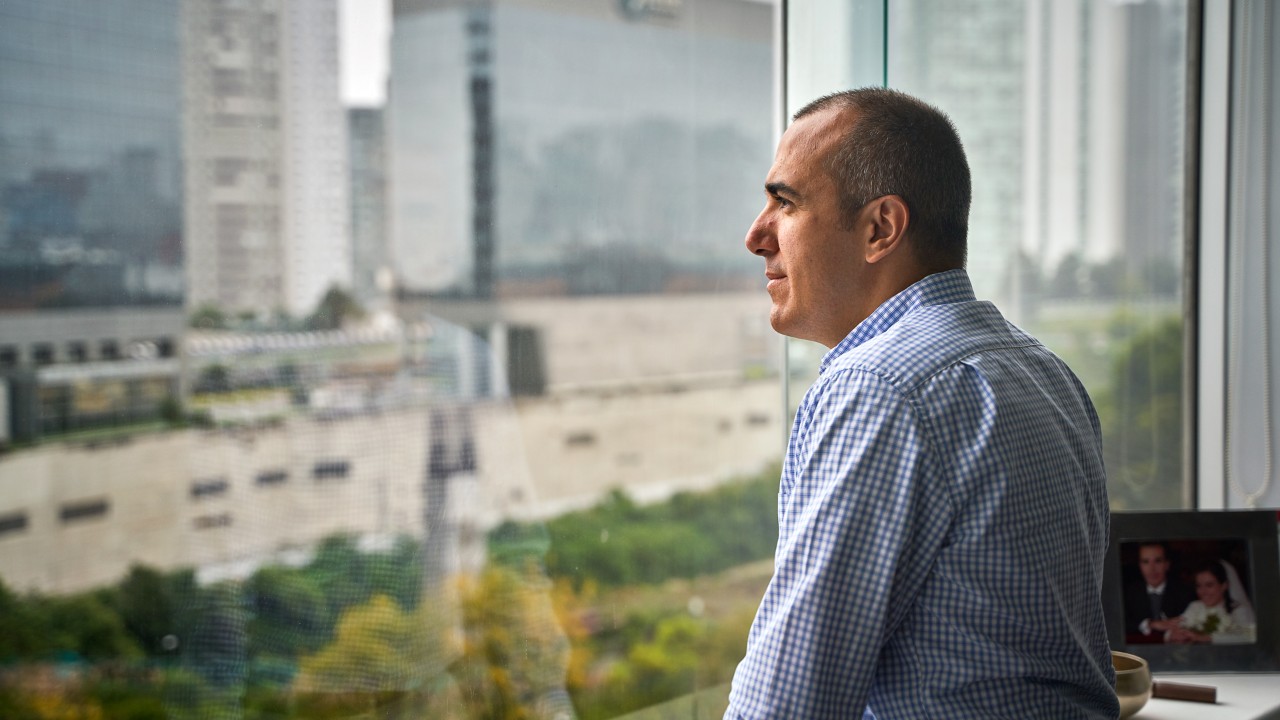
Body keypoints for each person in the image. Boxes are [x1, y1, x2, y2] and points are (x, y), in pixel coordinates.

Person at [725, 88, 1117, 718]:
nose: (756, 236)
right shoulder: (1044, 373)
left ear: (880, 228)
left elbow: (790, 702)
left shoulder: (879, 390)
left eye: (786, 202)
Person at [1168, 560, 1257, 645]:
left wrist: (1207, 638)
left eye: (1209, 585)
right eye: (1199, 586)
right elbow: (1172, 630)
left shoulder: (1239, 609)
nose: (1203, 592)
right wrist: (1173, 635)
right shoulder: (1195, 606)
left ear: (1224, 586)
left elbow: (1249, 635)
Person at [1123, 542, 1195, 642]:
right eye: (1146, 562)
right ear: (1140, 566)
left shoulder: (1185, 592)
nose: (1152, 569)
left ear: (1167, 564)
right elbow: (1120, 624)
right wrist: (1151, 624)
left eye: (1158, 561)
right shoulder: (1128, 593)